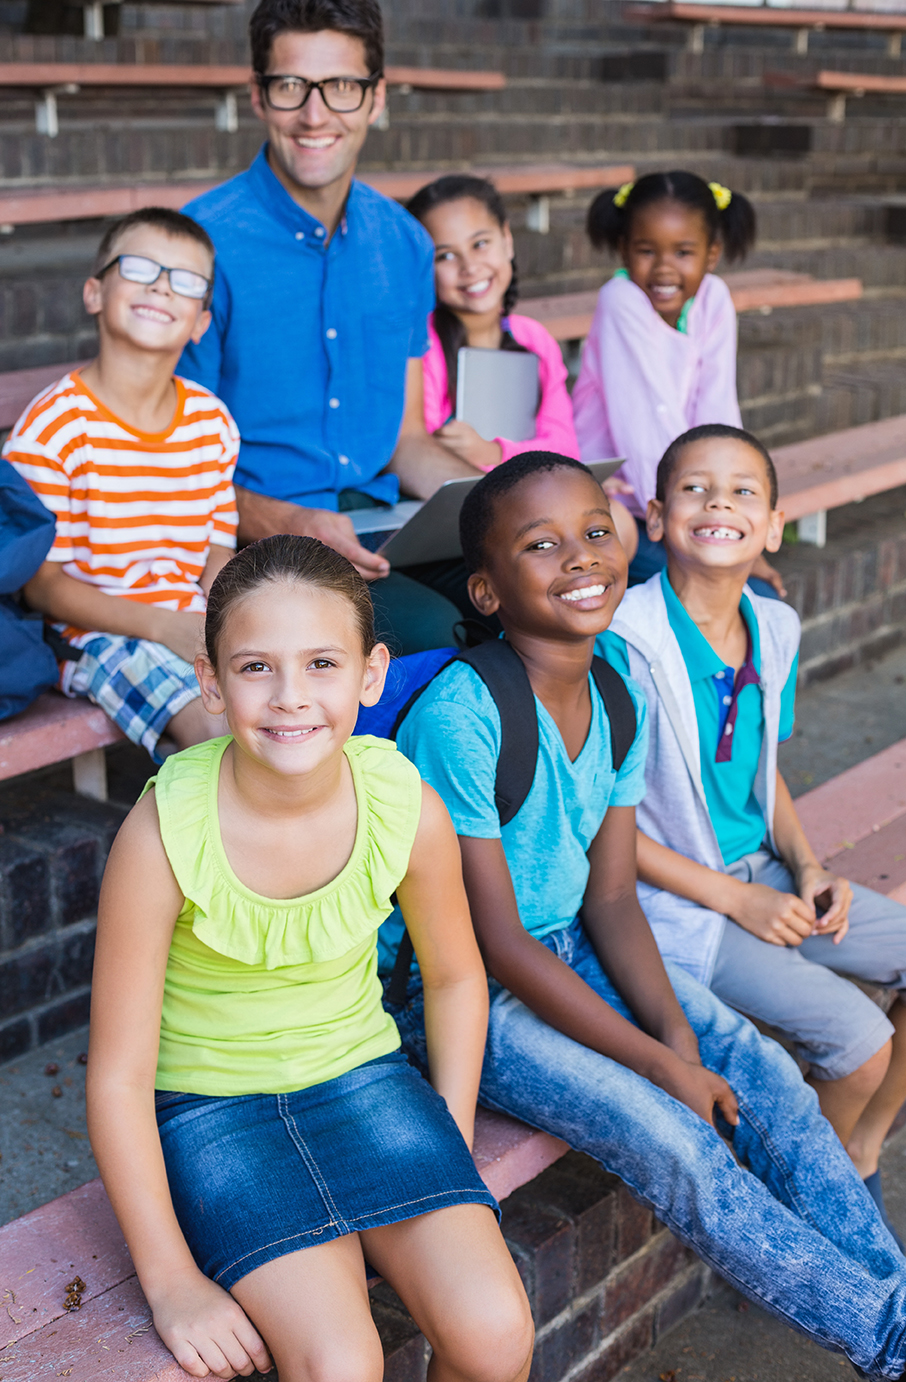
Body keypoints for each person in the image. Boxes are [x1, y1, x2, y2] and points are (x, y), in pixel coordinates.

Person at [384, 450, 906, 1380]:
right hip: (463, 988)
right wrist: (663, 1063)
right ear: (489, 590)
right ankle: (887, 1341)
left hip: (577, 942)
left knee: (768, 1076)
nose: (581, 557)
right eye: (541, 546)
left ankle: (892, 1312)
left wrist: (675, 1027)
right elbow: (495, 944)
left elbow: (612, 893)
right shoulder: (462, 715)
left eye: (595, 531)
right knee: (678, 1144)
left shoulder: (618, 679)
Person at [87, 533, 534, 1382]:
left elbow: (454, 974)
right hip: (215, 1109)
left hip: (364, 1079)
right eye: (255, 668)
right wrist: (172, 1279)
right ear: (210, 683)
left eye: (322, 663)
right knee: (338, 1364)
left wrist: (452, 1129)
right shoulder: (162, 834)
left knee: (496, 1335)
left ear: (370, 675)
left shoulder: (403, 802)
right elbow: (115, 1076)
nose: (290, 697)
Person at [596, 422, 906, 1242]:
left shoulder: (775, 625)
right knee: (860, 1042)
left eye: (743, 491)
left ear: (772, 526)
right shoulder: (624, 643)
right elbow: (599, 825)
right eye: (695, 488)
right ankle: (815, 1208)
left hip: (764, 875)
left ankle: (859, 1153)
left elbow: (762, 769)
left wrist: (807, 868)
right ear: (656, 518)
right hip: (678, 902)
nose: (718, 503)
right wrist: (738, 899)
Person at [178, 0, 487, 655]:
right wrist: (286, 519)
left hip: (382, 523)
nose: (315, 116)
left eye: (342, 88)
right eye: (292, 87)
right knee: (435, 637)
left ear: (375, 99)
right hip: (258, 538)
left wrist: (509, 504)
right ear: (259, 96)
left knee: (541, 593)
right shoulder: (200, 245)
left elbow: (406, 439)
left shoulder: (403, 240)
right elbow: (174, 465)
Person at [5, 207, 238, 762]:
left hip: (190, 617)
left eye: (185, 281)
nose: (160, 285)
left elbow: (216, 551)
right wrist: (165, 626)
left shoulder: (211, 421)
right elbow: (43, 588)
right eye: (139, 268)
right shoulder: (53, 429)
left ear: (200, 321)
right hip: (91, 634)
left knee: (288, 697)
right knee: (216, 728)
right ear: (94, 293)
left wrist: (239, 615)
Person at [404, 173, 638, 588]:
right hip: (456, 516)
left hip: (533, 502)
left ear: (507, 241)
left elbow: (563, 445)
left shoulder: (533, 339)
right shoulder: (422, 344)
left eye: (480, 244)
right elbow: (425, 447)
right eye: (445, 256)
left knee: (618, 521)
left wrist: (492, 450)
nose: (470, 266)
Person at [571, 170, 783, 599]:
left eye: (683, 252)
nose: (664, 268)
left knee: (756, 596)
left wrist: (740, 515)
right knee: (734, 595)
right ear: (624, 250)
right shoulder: (621, 300)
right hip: (625, 503)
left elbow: (719, 411)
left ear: (712, 254)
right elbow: (646, 428)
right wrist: (692, 519)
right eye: (646, 250)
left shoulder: (713, 298)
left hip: (683, 496)